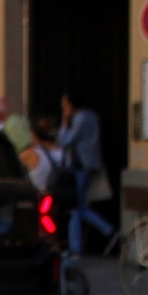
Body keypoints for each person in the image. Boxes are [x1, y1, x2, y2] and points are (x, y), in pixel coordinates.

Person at [59, 91, 114, 257]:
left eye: (65, 104)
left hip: (81, 167)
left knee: (77, 208)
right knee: (78, 207)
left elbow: (65, 141)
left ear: (71, 104)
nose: (63, 107)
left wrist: (64, 122)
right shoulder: (91, 116)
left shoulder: (81, 119)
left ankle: (107, 230)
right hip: (88, 165)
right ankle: (77, 246)